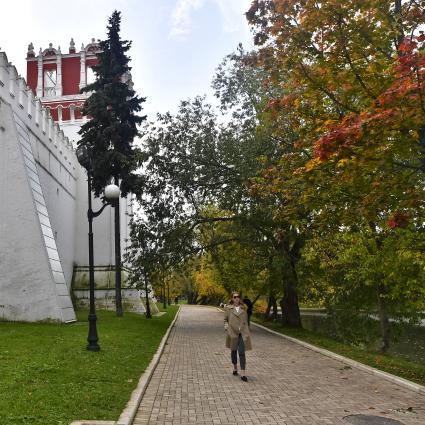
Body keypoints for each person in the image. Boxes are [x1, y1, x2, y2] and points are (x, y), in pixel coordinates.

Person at [224, 292, 252, 382]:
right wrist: (227, 328)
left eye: (238, 297)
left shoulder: (244, 308)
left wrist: (246, 329)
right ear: (232, 299)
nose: (236, 298)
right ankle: (235, 368)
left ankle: (243, 373)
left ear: (240, 298)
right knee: (233, 351)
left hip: (242, 333)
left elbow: (247, 320)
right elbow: (225, 320)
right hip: (232, 332)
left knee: (242, 352)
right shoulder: (228, 308)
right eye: (235, 297)